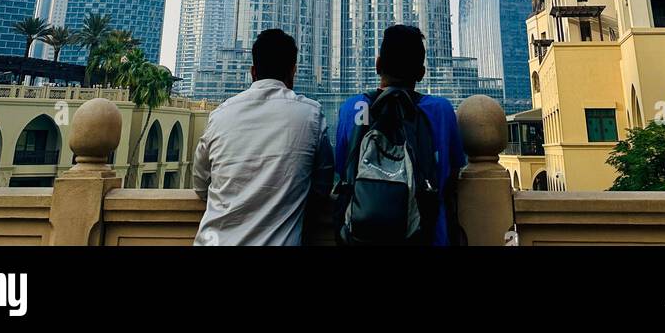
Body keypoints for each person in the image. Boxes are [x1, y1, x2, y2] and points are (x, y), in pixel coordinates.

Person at [192, 28, 333, 246]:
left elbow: (200, 185)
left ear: (253, 71)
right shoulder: (310, 115)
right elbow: (322, 187)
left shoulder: (220, 115)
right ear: (292, 71)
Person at [334, 24, 466, 246]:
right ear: (421, 73)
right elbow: (453, 172)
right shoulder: (441, 110)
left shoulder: (353, 108)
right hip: (429, 237)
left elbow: (342, 170)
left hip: (361, 236)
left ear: (378, 65)